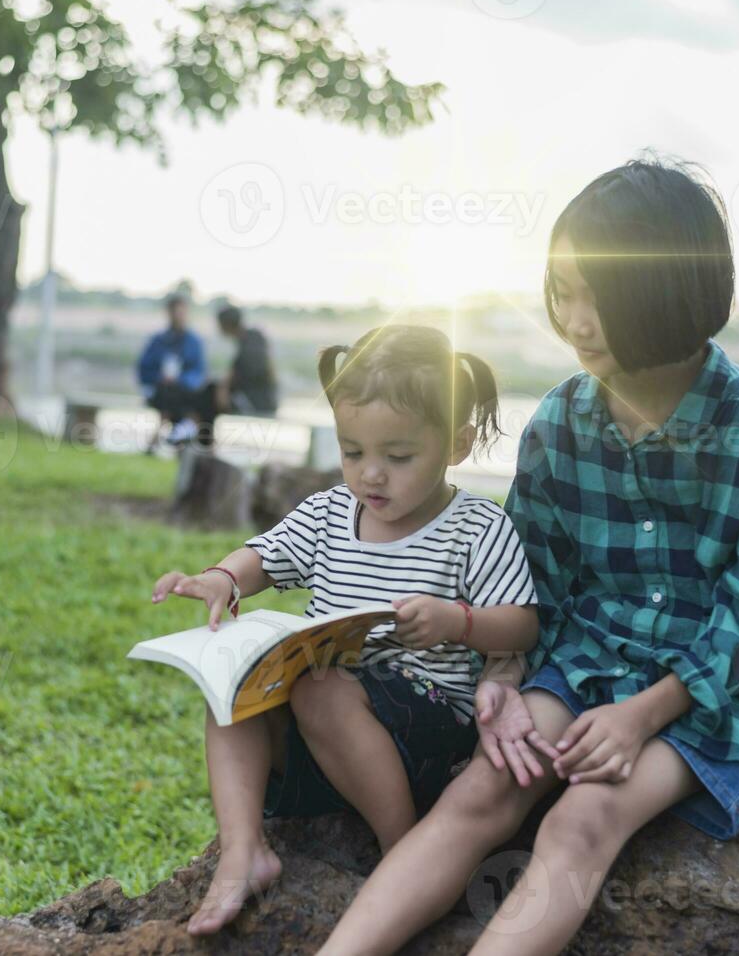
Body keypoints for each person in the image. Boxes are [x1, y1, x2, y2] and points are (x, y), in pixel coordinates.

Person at [318, 158, 739, 955]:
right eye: (561, 291)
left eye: (597, 297)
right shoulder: (558, 422)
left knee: (587, 815)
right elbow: (534, 585)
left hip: (712, 693)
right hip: (583, 660)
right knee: (484, 790)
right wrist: (503, 680)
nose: (574, 320)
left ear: (668, 293)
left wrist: (639, 715)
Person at [148, 324, 541, 936]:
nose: (371, 475)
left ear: (456, 445)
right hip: (327, 734)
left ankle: (404, 851)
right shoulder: (331, 512)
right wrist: (223, 578)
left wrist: (456, 623)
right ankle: (244, 849)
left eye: (398, 456)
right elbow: (266, 556)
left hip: (426, 729)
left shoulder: (476, 527)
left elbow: (521, 623)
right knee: (234, 684)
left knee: (319, 689)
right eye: (352, 452)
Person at [189, 304, 279, 447]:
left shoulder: (253, 339)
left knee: (207, 395)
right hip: (248, 395)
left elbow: (249, 371)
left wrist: (224, 387)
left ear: (226, 324)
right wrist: (223, 385)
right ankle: (203, 441)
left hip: (258, 400)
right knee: (207, 393)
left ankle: (204, 444)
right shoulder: (247, 339)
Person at [136, 294, 206, 451]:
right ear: (169, 313)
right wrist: (159, 378)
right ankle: (183, 429)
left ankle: (160, 439)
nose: (179, 316)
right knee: (170, 394)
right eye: (175, 312)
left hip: (182, 391)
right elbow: (143, 369)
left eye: (182, 312)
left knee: (176, 394)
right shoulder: (158, 340)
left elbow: (198, 372)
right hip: (161, 389)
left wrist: (181, 380)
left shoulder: (194, 341)